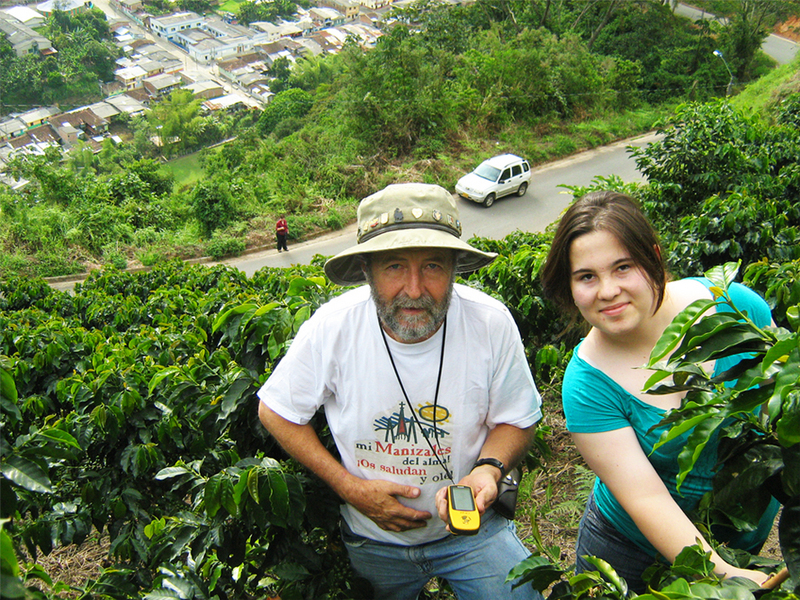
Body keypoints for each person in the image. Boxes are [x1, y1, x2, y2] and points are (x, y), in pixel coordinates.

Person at [257, 183, 544, 600]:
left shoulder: (490, 323)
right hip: (373, 540)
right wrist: (349, 488)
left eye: (432, 266)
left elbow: (517, 418)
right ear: (367, 271)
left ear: (453, 267)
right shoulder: (333, 327)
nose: (413, 289)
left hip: (472, 532)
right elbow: (276, 410)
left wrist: (487, 470)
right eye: (394, 267)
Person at [539, 191, 780, 594]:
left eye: (623, 267)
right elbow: (647, 499)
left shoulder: (733, 311)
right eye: (587, 276)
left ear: (652, 257)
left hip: (742, 534)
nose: (608, 290)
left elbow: (782, 404)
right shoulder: (587, 384)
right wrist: (724, 574)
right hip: (630, 551)